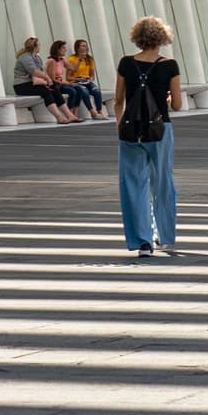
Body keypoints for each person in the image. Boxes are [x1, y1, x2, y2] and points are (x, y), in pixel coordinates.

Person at [115, 15, 181, 258]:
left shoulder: (125, 63)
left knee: (133, 184)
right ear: (162, 38)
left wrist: (119, 126)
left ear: (138, 38)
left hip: (130, 131)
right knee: (163, 182)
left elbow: (119, 100)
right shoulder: (169, 65)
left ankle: (142, 241)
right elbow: (177, 105)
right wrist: (162, 99)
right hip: (160, 130)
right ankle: (164, 236)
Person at [68, 40, 105, 118]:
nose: (85, 47)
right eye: (83, 46)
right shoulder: (72, 59)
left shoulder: (90, 59)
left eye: (86, 46)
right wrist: (79, 79)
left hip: (87, 81)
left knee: (97, 91)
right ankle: (92, 112)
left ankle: (99, 111)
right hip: (77, 81)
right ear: (77, 48)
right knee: (85, 92)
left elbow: (92, 75)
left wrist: (90, 79)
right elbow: (68, 77)